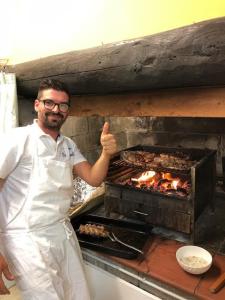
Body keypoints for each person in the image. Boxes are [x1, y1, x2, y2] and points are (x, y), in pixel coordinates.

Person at [0, 79, 117, 300]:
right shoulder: (17, 139)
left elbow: (94, 178)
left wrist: (106, 154)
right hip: (27, 240)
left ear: (67, 110)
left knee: (78, 295)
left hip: (62, 233)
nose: (56, 109)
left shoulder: (68, 145)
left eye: (63, 105)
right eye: (49, 103)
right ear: (37, 105)